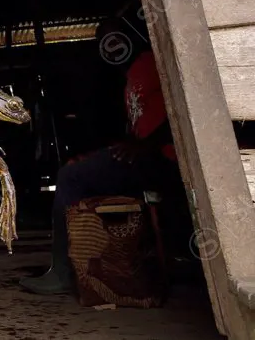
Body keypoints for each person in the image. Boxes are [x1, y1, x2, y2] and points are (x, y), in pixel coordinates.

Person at [19, 16, 176, 295]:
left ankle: (63, 273)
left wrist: (146, 146)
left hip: (164, 159)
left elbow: (179, 112)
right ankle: (94, 262)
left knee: (70, 177)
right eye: (102, 39)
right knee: (75, 170)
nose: (109, 45)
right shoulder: (130, 75)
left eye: (113, 36)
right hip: (146, 156)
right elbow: (140, 128)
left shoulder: (155, 62)